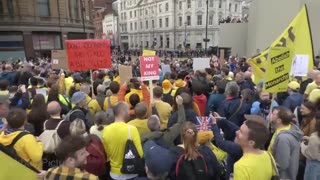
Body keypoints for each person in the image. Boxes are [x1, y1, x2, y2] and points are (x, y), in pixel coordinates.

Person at [102, 102, 143, 180]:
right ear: (122, 112)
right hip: (131, 172)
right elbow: (140, 153)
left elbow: (107, 154)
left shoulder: (105, 131)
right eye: (128, 110)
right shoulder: (132, 129)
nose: (129, 113)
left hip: (114, 174)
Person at [269, 106, 303, 179]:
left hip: (282, 176)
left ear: (279, 120)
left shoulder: (283, 138)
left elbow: (282, 164)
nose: (270, 114)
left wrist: (268, 169)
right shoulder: (281, 130)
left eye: (273, 114)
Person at [300, 112, 320, 180]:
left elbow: (310, 154)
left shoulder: (314, 138)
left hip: (314, 165)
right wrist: (308, 139)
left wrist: (302, 145)